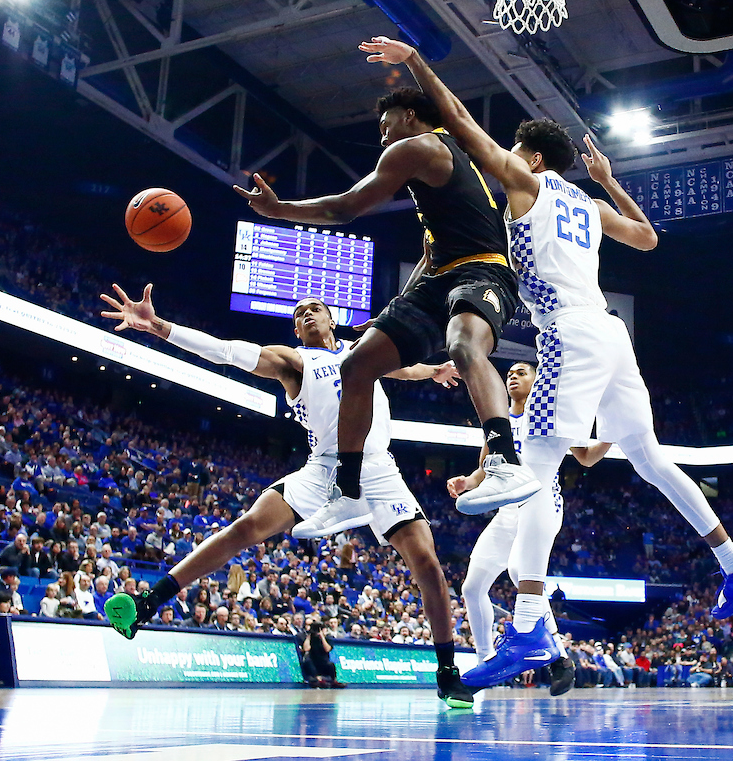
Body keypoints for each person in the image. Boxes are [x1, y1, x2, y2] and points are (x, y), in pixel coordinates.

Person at [366, 34, 733, 689]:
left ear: (530, 157)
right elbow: (648, 237)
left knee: (531, 470)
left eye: (514, 151)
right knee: (650, 459)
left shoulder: (525, 182)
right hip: (612, 334)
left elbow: (462, 124)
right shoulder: (588, 202)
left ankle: (529, 628)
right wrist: (608, 180)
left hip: (569, 333)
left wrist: (416, 63)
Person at [98, 285, 475, 707]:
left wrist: (433, 371)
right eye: (299, 314)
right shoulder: (295, 361)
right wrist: (159, 327)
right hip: (324, 468)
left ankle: (447, 672)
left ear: (332, 319)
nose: (307, 314)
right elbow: (225, 351)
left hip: (378, 468)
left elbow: (402, 369)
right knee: (246, 527)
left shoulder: (363, 351)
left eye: (315, 308)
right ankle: (148, 604)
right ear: (296, 330)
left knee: (428, 565)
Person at [233, 86, 539, 541]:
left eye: (385, 125)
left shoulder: (422, 146)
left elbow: (344, 208)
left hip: (485, 271)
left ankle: (505, 461)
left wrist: (279, 210)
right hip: (441, 278)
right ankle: (348, 492)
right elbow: (429, 257)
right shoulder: (440, 180)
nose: (382, 138)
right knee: (356, 365)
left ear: (410, 116)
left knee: (463, 343)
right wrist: (392, 316)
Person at [448, 361, 611, 695]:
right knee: (472, 588)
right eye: (510, 373)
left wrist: (612, 434)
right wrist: (467, 481)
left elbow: (586, 457)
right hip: (507, 510)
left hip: (542, 503)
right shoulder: (498, 420)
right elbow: (485, 469)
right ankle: (487, 661)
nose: (512, 376)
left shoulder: (550, 416)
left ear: (537, 381)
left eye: (521, 372)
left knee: (520, 571)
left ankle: (558, 657)